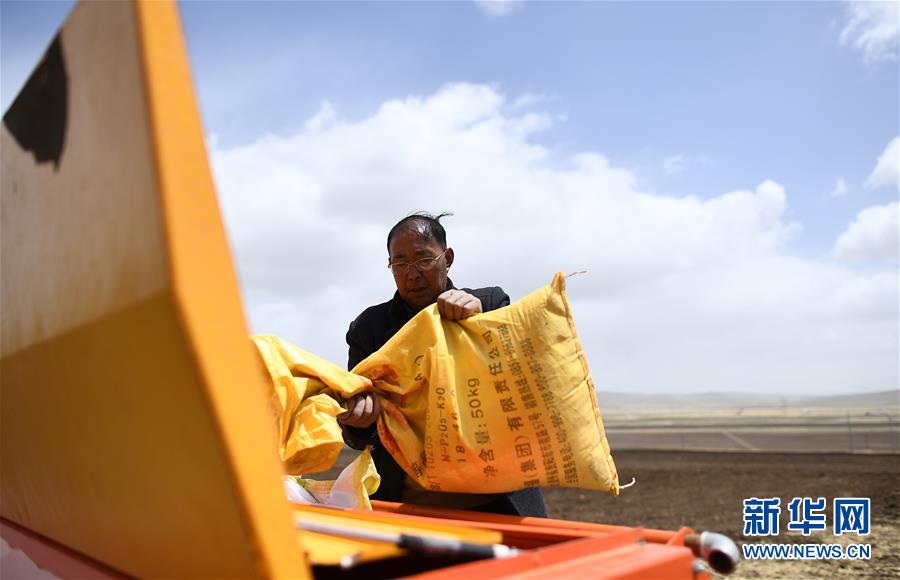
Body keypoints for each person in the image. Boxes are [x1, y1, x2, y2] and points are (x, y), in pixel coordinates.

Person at [339, 212, 547, 517]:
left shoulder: (488, 304)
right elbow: (359, 432)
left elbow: (523, 381)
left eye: (423, 260)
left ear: (447, 258)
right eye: (400, 264)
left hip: (497, 504)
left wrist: (483, 322)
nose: (412, 274)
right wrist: (358, 419)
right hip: (408, 507)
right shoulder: (370, 328)